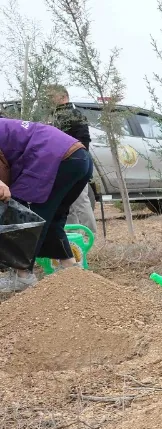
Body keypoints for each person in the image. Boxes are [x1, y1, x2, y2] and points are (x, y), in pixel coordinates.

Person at [0, 118, 94, 292]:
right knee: (53, 220)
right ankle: (72, 271)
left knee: (22, 214)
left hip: (56, 158)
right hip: (79, 158)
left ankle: (22, 277)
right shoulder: (5, 127)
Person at [46, 85, 98, 234]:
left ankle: (89, 236)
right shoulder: (53, 116)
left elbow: (84, 141)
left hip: (73, 164)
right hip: (63, 165)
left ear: (63, 97)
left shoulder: (73, 114)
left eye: (51, 96)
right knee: (67, 203)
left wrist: (77, 162)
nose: (49, 100)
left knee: (80, 201)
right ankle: (74, 237)